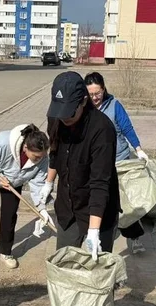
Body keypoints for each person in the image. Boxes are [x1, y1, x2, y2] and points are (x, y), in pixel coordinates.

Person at [40, 71, 121, 261]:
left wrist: (94, 231)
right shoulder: (57, 116)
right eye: (60, 113)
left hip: (98, 208)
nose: (64, 119)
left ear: (84, 101)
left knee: (98, 270)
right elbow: (55, 151)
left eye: (70, 113)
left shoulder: (102, 130)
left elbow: (100, 183)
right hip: (68, 206)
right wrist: (48, 183)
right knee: (65, 261)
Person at [85, 71, 149, 254]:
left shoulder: (114, 106)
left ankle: (135, 238)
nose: (95, 98)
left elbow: (127, 127)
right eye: (90, 94)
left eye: (98, 93)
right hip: (95, 165)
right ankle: (104, 231)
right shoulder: (84, 108)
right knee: (98, 200)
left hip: (118, 161)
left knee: (124, 204)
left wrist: (138, 149)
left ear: (104, 89)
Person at [0, 123, 52, 270]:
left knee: (9, 215)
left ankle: (6, 252)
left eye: (42, 157)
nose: (39, 160)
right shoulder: (3, 142)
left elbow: (38, 184)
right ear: (25, 148)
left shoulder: (42, 158)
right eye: (35, 157)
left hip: (14, 181)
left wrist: (42, 209)